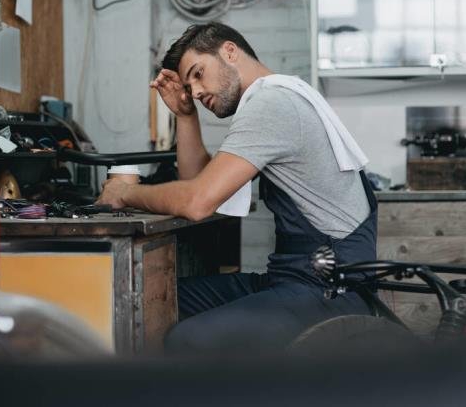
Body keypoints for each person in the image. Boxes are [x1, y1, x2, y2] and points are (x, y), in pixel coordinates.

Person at [97, 22, 377, 352]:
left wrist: (124, 193)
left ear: (229, 52)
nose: (195, 92)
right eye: (189, 86)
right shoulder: (279, 95)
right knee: (156, 302)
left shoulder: (271, 103)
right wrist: (186, 116)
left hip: (328, 291)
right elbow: (199, 185)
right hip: (295, 279)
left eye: (198, 73)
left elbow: (196, 202)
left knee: (188, 338)